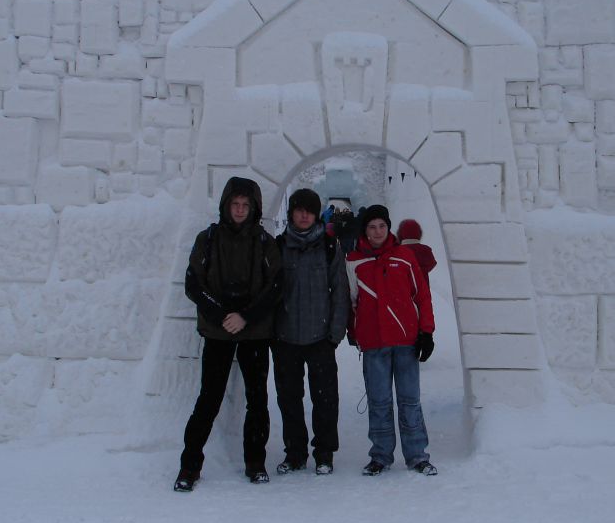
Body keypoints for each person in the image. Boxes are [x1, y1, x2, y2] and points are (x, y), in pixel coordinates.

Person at [174, 176, 282, 491]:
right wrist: (223, 316)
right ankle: (189, 466)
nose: (239, 210)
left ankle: (255, 462)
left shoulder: (265, 243)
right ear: (226, 205)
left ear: (254, 208)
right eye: (235, 204)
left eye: (245, 205)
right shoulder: (207, 240)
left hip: (254, 332)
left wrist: (246, 316)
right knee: (208, 399)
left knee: (257, 400)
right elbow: (194, 283)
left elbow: (275, 285)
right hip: (218, 332)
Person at [346, 204, 437, 476]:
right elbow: (351, 301)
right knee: (379, 402)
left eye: (382, 226)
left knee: (410, 401)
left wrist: (427, 331)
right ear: (365, 230)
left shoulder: (405, 257)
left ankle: (417, 455)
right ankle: (381, 455)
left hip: (405, 339)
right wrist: (355, 333)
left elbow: (421, 295)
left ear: (388, 228)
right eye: (372, 227)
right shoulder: (354, 260)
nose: (377, 231)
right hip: (374, 343)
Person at [272, 188, 350, 476]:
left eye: (309, 210)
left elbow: (340, 291)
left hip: (320, 338)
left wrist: (335, 334)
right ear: (292, 213)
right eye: (298, 209)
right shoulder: (279, 246)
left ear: (316, 214)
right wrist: (273, 332)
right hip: (286, 337)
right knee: (289, 399)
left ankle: (324, 452)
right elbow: (271, 292)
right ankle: (295, 452)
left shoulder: (330, 247)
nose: (304, 215)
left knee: (325, 399)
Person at [396, 218, 437, 287]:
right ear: (419, 233)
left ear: (400, 234)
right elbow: (432, 264)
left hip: (403, 292)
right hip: (423, 291)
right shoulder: (425, 250)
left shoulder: (396, 251)